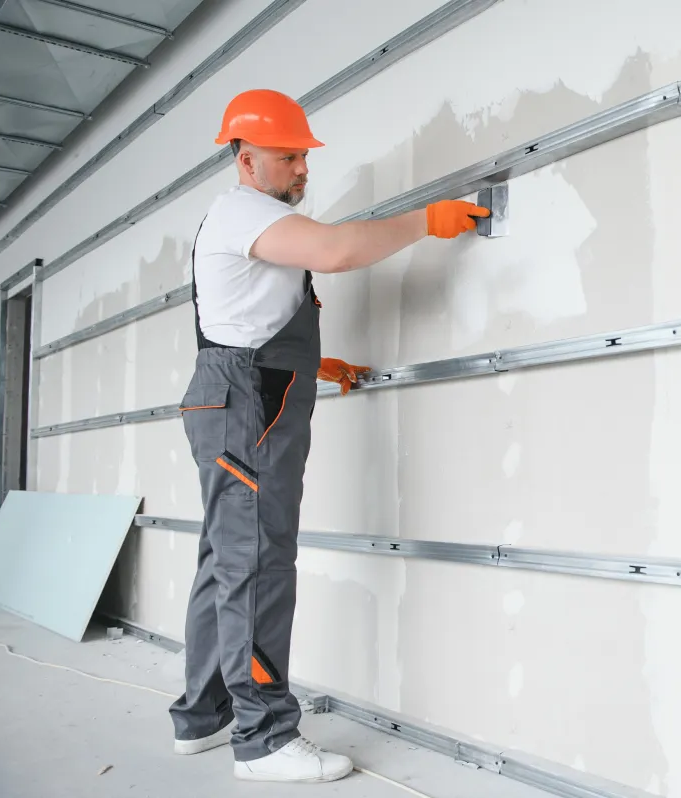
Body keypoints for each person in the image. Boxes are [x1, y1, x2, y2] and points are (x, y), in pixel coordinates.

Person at [168, 88, 488, 783]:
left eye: (303, 157)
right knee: (255, 560)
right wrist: (425, 221)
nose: (300, 169)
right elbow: (338, 250)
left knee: (226, 559)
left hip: (240, 391)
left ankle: (203, 716)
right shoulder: (243, 210)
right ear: (244, 158)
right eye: (287, 158)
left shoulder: (250, 217)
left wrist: (317, 365)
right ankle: (263, 740)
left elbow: (251, 314)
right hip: (247, 399)